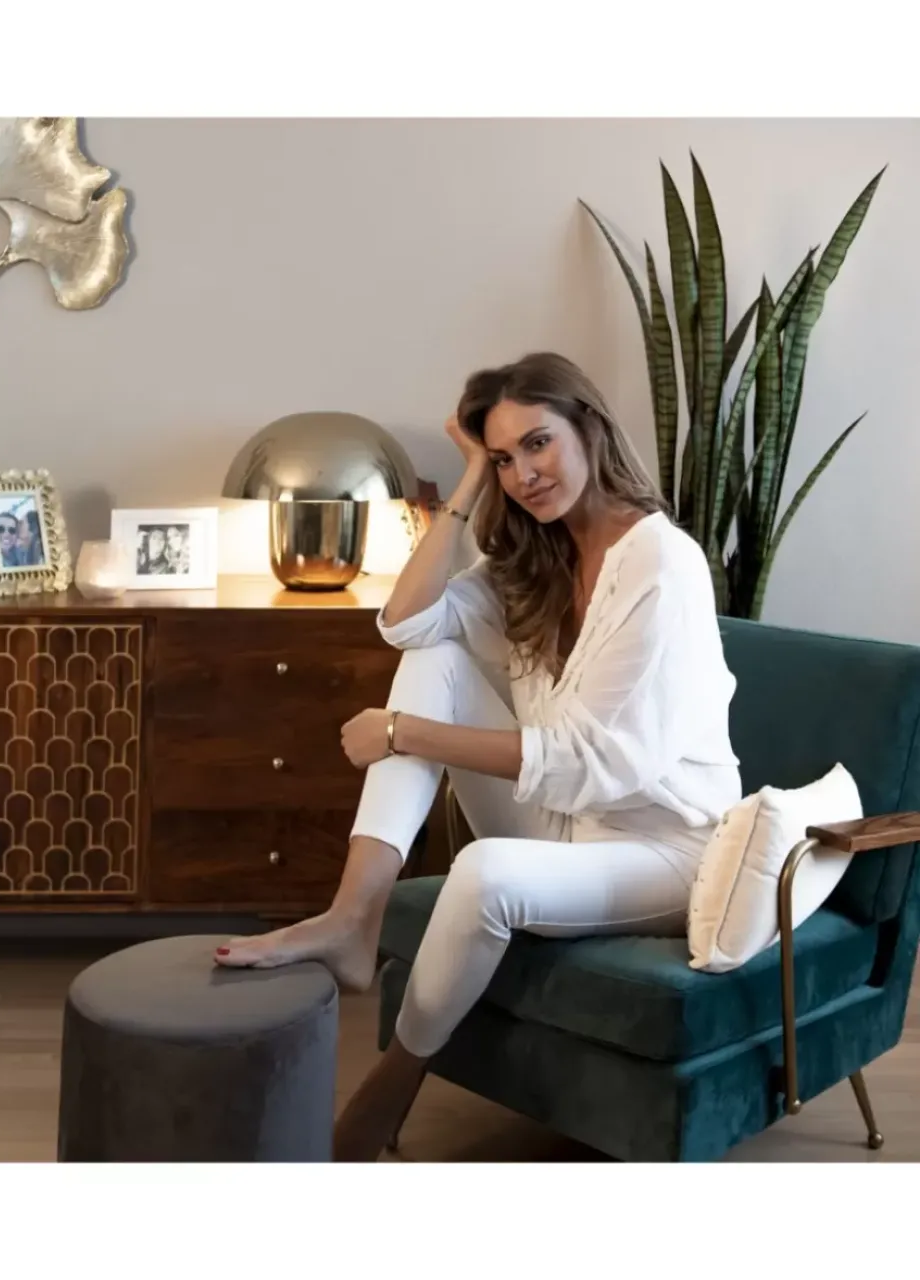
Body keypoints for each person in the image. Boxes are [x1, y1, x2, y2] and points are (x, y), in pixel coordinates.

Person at [214, 351, 742, 1160]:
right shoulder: (539, 556)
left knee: (485, 873)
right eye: (502, 458)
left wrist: (402, 734)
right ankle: (354, 916)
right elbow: (405, 623)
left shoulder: (660, 563)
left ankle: (394, 1081)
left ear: (589, 429)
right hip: (567, 820)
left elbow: (595, 762)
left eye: (538, 443)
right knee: (437, 659)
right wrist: (465, 485)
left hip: (666, 847)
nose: (524, 474)